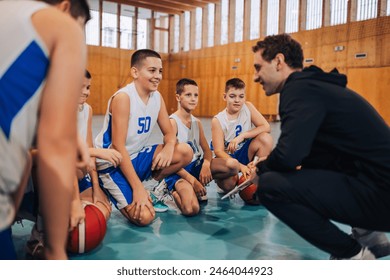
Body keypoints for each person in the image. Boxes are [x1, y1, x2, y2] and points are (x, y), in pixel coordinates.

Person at [250, 33, 390, 259]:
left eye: (258, 67)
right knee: (314, 169)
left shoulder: (298, 90)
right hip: (378, 187)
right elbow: (316, 159)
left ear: (278, 61)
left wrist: (261, 169)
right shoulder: (315, 86)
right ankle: (369, 235)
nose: (255, 77)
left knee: (270, 187)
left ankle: (353, 256)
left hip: (382, 195)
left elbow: (288, 156)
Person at [0, 0, 90, 260]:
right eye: (81, 25)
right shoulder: (61, 27)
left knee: (27, 158)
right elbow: (56, 146)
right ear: (64, 7)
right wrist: (55, 248)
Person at [95, 49, 193, 226]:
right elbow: (118, 147)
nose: (158, 76)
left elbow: (170, 133)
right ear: (135, 72)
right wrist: (138, 188)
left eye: (160, 71)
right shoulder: (124, 98)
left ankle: (148, 188)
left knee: (184, 152)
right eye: (152, 70)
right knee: (145, 217)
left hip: (135, 157)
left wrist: (169, 147)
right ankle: (108, 188)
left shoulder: (157, 97)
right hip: (112, 164)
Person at [210, 78, 273, 194]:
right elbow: (218, 151)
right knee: (229, 185)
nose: (237, 100)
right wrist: (240, 166)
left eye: (241, 96)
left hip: (245, 151)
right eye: (232, 96)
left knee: (265, 138)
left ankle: (256, 175)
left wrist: (243, 136)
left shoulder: (247, 107)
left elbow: (266, 127)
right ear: (225, 97)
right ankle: (223, 180)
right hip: (227, 158)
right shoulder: (218, 120)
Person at [161, 78, 213, 216]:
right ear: (178, 97)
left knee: (229, 166)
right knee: (192, 209)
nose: (193, 99)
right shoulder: (172, 123)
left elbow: (207, 151)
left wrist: (206, 165)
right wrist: (193, 181)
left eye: (196, 95)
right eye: (188, 95)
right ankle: (171, 193)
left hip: (195, 167)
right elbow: (169, 162)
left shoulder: (197, 122)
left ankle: (195, 188)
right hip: (178, 173)